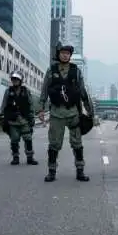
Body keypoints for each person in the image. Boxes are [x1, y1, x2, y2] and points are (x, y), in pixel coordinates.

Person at [37, 42, 92, 182]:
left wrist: (90, 111)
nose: (65, 55)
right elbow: (44, 91)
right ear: (58, 54)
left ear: (70, 56)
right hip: (56, 113)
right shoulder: (51, 70)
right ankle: (52, 171)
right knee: (54, 143)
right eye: (63, 53)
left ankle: (80, 170)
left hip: (73, 112)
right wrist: (41, 109)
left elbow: (83, 92)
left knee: (77, 143)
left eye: (68, 53)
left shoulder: (76, 71)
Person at [0, 71, 37, 165]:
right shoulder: (8, 91)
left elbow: (31, 104)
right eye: (13, 79)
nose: (15, 81)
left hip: (24, 119)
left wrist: (32, 116)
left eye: (17, 79)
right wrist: (2, 116)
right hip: (13, 120)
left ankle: (30, 157)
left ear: (20, 80)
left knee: (28, 138)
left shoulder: (26, 91)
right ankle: (15, 157)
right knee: (14, 139)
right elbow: (4, 104)